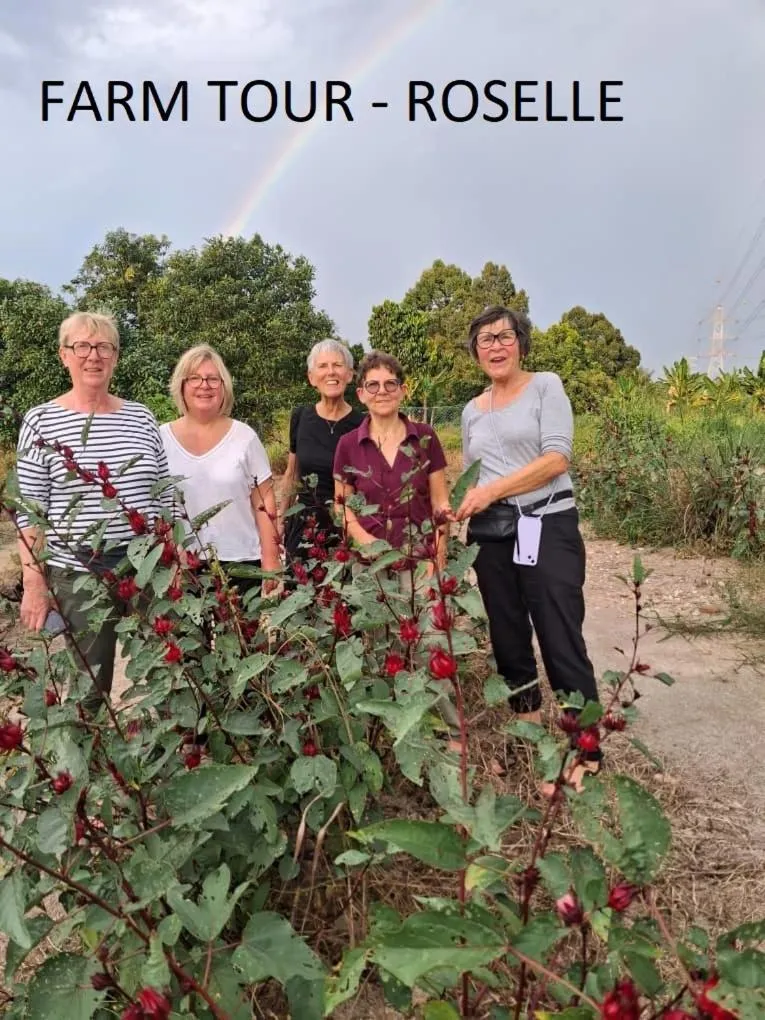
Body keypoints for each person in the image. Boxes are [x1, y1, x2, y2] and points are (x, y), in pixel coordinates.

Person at [455, 305, 602, 793]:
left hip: (546, 523)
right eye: (484, 340)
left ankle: (586, 748)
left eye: (504, 336)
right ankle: (526, 732)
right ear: (475, 352)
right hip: (491, 534)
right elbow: (473, 476)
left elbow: (556, 458)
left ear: (521, 341)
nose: (495, 346)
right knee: (509, 637)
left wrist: (494, 491)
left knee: (559, 632)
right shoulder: (472, 410)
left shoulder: (546, 386)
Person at [15, 311, 173, 715]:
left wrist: (173, 555)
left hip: (146, 569)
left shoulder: (140, 417)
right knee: (89, 685)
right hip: (79, 574)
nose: (93, 356)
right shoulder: (41, 421)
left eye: (104, 347)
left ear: (116, 357)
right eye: (81, 346)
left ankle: (174, 760)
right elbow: (30, 514)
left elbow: (162, 495)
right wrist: (35, 585)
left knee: (169, 673)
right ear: (63, 355)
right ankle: (92, 769)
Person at [161, 344, 281, 599]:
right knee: (185, 639)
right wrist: (167, 558)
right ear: (181, 386)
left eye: (213, 379)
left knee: (241, 638)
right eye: (195, 378)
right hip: (184, 566)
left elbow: (265, 501)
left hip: (241, 563)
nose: (204, 385)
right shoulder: (160, 439)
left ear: (223, 387)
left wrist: (271, 561)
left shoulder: (245, 437)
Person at [278, 339, 364, 563]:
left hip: (347, 527)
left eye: (338, 365)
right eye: (323, 366)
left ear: (349, 374)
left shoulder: (363, 424)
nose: (331, 372)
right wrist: (279, 521)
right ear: (311, 378)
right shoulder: (300, 417)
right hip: (305, 528)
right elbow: (292, 474)